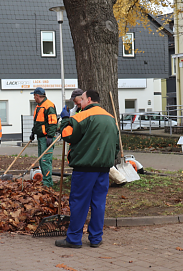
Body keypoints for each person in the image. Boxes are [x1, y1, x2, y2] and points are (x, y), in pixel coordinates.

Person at [56, 90, 119, 248]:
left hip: (85, 168)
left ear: (89, 100)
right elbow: (116, 145)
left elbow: (66, 134)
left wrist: (65, 119)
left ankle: (74, 239)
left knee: (79, 202)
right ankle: (96, 238)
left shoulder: (81, 116)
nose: (80, 102)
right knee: (98, 203)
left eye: (82, 99)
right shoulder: (111, 118)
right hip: (104, 168)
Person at [29, 87, 57, 187]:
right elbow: (37, 122)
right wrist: (33, 132)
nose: (34, 98)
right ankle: (45, 181)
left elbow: (53, 122)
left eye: (34, 96)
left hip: (46, 138)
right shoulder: (38, 106)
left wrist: (50, 136)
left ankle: (48, 183)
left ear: (37, 96)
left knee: (45, 160)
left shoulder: (49, 106)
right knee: (41, 160)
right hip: (40, 137)